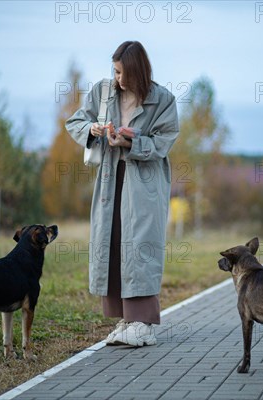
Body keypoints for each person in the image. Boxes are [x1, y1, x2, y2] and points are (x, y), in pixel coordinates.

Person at [66, 41, 179, 346]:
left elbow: (165, 141)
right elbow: (75, 121)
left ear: (138, 71)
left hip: (144, 185)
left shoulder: (163, 100)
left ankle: (144, 323)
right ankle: (126, 319)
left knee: (141, 246)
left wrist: (130, 143)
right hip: (110, 182)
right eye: (114, 71)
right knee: (114, 244)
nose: (117, 78)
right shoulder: (102, 92)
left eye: (122, 72)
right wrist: (92, 129)